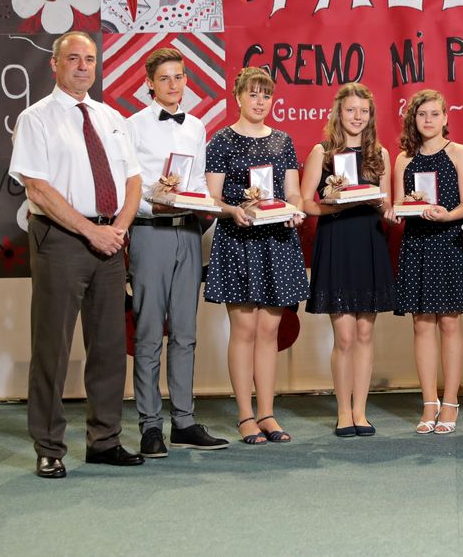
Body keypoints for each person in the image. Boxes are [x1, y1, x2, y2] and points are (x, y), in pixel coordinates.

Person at [9, 30, 144, 478]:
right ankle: (49, 446)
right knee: (52, 345)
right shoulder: (36, 118)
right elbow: (37, 189)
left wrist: (117, 229)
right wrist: (90, 231)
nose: (83, 66)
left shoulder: (111, 118)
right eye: (73, 58)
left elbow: (133, 180)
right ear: (55, 64)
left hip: (110, 239)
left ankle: (104, 440)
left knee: (108, 346)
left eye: (89, 59)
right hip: (62, 239)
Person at [125, 48, 229, 457]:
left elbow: (199, 183)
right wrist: (155, 204)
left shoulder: (197, 126)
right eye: (165, 78)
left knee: (185, 332)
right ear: (149, 83)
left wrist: (204, 203)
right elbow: (128, 187)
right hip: (149, 232)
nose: (173, 84)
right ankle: (150, 426)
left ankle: (184, 421)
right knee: (150, 333)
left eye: (179, 77)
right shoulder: (132, 126)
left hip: (188, 233)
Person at [204, 67, 309, 445]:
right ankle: (245, 416)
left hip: (277, 241)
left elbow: (293, 192)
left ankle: (267, 413)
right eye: (253, 94)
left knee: (269, 332)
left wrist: (295, 210)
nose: (260, 101)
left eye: (266, 95)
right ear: (238, 97)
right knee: (244, 330)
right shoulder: (221, 140)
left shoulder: (283, 140)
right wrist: (233, 211)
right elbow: (212, 198)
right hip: (239, 241)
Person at [301, 83, 394, 438]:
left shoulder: (380, 154)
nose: (357, 117)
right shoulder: (322, 152)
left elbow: (386, 202)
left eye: (363, 111)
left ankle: (360, 411)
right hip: (337, 241)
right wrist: (336, 205)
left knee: (365, 333)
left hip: (369, 242)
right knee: (344, 336)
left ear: (371, 116)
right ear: (338, 113)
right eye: (351, 110)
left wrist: (389, 209)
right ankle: (343, 412)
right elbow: (305, 203)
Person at [390, 90, 463, 435]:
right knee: (421, 324)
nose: (428, 120)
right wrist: (395, 212)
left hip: (450, 241)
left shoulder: (459, 153)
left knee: (450, 323)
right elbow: (399, 203)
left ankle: (451, 401)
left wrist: (447, 215)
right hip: (416, 244)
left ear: (445, 117)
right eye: (422, 114)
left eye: (435, 114)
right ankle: (429, 401)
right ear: (414, 118)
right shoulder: (403, 159)